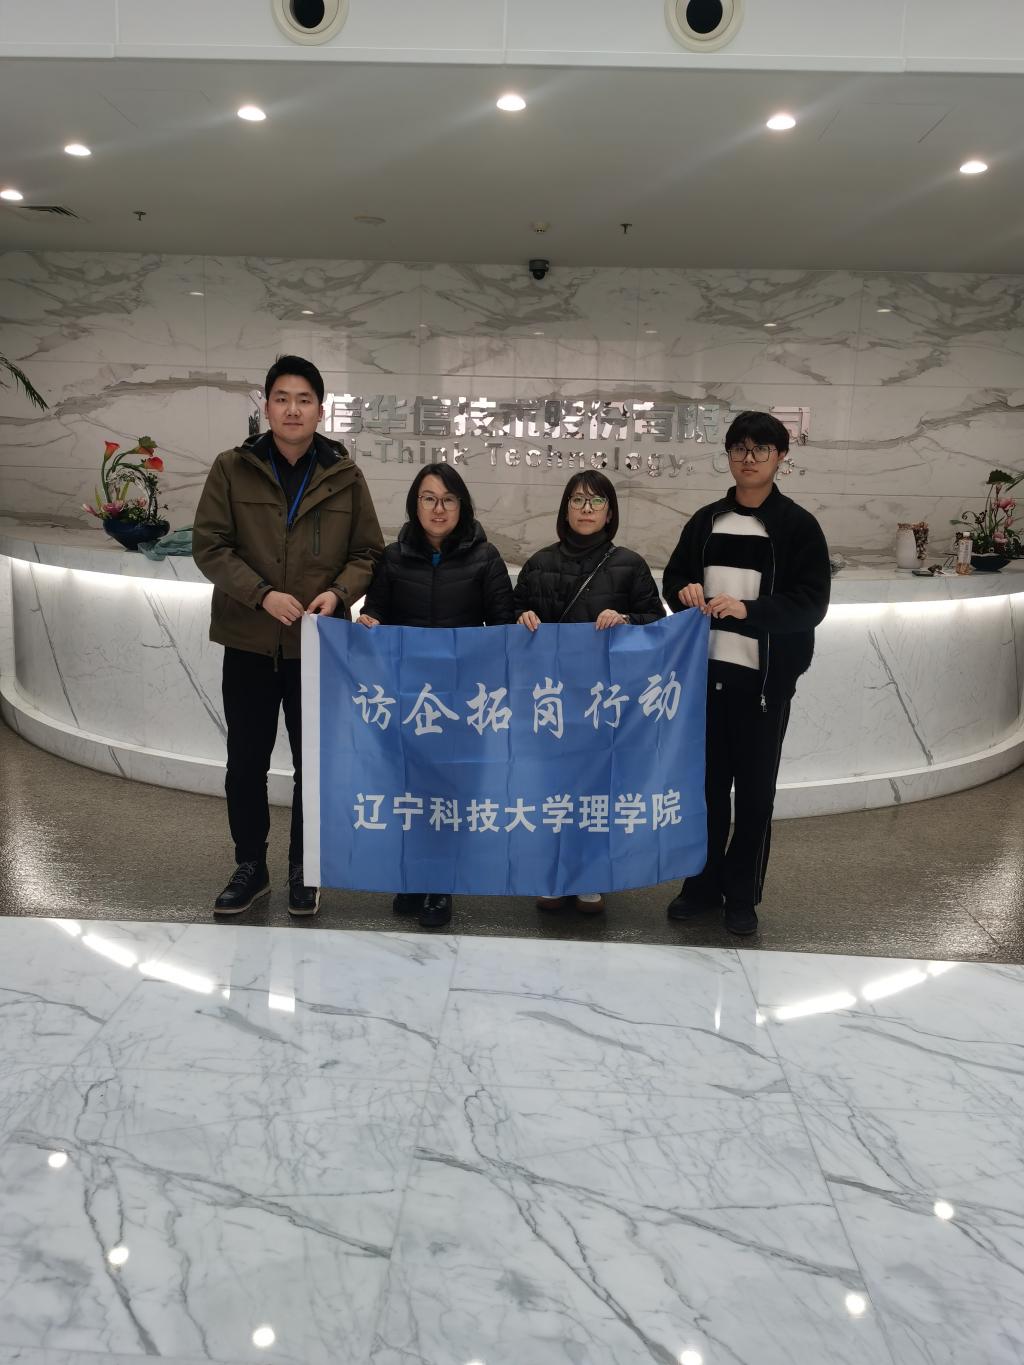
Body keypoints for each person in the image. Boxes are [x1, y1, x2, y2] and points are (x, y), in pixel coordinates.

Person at [194, 355, 384, 917]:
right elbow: (209, 545)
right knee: (245, 763)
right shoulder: (233, 468)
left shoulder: (345, 475)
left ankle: (306, 867)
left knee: (313, 766)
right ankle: (250, 866)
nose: (293, 409)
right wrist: (261, 594)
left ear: (321, 410)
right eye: (282, 398)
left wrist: (340, 594)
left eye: (304, 400)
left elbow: (368, 552)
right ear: (266, 405)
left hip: (318, 647)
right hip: (249, 641)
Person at [662, 410, 831, 936]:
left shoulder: (797, 526)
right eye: (739, 449)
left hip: (762, 687)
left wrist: (749, 610)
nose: (749, 458)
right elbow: (675, 578)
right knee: (706, 793)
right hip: (705, 681)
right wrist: (684, 590)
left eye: (761, 449)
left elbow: (811, 604)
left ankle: (742, 894)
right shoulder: (706, 521)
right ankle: (701, 885)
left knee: (755, 798)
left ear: (781, 457)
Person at [357, 462, 515, 928]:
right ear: (415, 504)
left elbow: (502, 628)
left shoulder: (485, 558)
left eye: (448, 499)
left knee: (450, 793)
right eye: (428, 498)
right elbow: (377, 613)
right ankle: (413, 876)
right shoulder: (393, 557)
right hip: (408, 697)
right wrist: (368, 624)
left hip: (462, 701)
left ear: (461, 506)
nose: (438, 508)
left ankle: (440, 884)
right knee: (409, 790)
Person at [514, 470, 665, 914]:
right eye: (578, 500)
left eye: (596, 501)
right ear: (565, 509)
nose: (586, 509)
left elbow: (657, 622)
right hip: (550, 701)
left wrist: (627, 620)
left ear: (610, 512)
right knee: (550, 789)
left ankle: (591, 877)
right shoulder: (539, 563)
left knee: (596, 790)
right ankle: (551, 875)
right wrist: (521, 617)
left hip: (603, 702)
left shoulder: (630, 565)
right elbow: (508, 616)